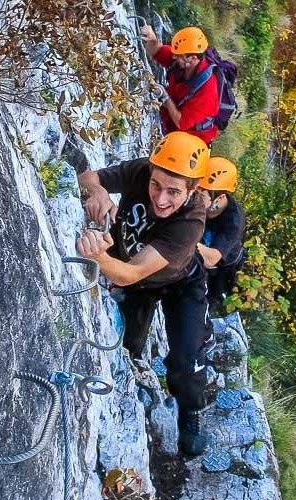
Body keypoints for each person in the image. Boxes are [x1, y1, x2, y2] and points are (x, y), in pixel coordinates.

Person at [76, 131, 212, 457]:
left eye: (174, 192)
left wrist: (100, 257)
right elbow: (87, 176)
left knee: (186, 359)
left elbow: (132, 272)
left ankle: (191, 411)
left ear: (193, 190)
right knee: (127, 346)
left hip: (180, 282)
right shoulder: (142, 171)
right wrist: (97, 193)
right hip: (139, 284)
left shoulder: (190, 222)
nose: (161, 198)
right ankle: (134, 372)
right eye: (156, 185)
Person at [140, 25, 220, 145]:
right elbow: (158, 51)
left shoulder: (207, 91)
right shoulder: (182, 60)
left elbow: (181, 122)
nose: (173, 57)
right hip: (169, 125)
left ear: (192, 58)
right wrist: (152, 39)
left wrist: (165, 97)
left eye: (178, 55)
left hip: (191, 141)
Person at [196, 157, 246, 311]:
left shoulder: (234, 221)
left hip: (222, 267)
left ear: (220, 198)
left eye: (201, 196)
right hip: (203, 246)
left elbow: (211, 258)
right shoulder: (202, 203)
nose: (195, 198)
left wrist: (184, 239)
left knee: (208, 300)